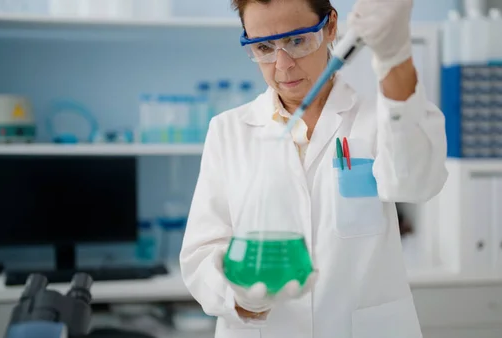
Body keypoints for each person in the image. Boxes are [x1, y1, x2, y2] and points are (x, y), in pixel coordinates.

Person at [180, 0, 448, 337]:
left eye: (297, 41)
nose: (283, 65)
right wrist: (240, 297)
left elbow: (417, 183)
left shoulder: (379, 117)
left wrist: (395, 58)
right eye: (263, 47)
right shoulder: (228, 131)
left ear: (330, 26)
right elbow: (200, 251)